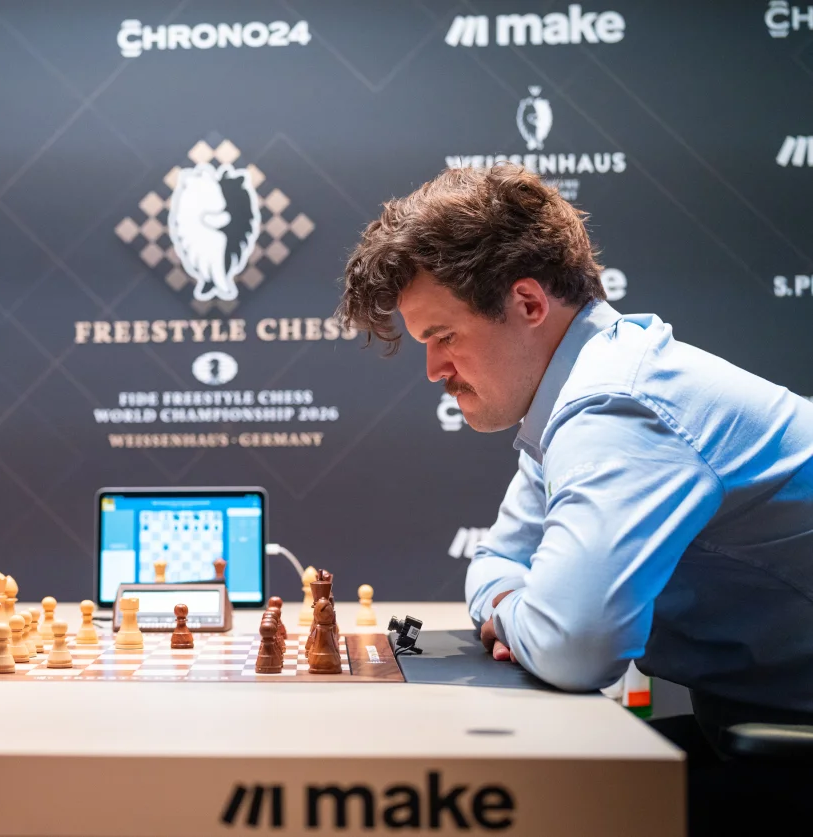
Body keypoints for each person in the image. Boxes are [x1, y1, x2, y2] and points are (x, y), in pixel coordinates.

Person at [337, 163, 813, 830]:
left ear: (529, 304)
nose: (434, 369)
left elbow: (575, 647)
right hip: (760, 728)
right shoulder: (580, 391)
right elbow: (497, 562)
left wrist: (513, 616)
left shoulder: (616, 405)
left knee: (502, 810)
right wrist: (517, 605)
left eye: (445, 336)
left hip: (789, 746)